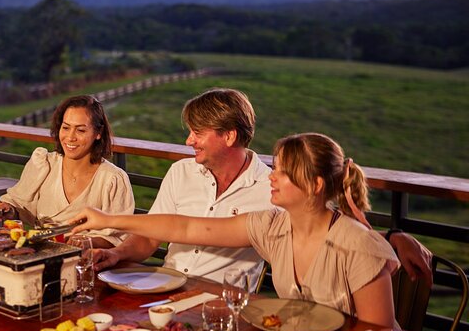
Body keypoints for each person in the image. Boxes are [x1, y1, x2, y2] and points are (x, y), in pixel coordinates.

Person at [89, 88, 432, 288]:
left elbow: (333, 227)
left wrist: (391, 238)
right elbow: (167, 231)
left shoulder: (275, 194)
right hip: (166, 289)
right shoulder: (182, 172)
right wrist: (117, 252)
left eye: (198, 132)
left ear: (229, 136)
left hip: (223, 306)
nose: (188, 140)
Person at [73, 132, 400, 327]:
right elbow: (185, 226)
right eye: (274, 168)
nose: (271, 176)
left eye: (283, 172)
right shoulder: (271, 227)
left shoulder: (358, 246)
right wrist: (108, 219)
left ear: (314, 185)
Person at [0, 95, 134, 248]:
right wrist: (9, 210)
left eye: (80, 130)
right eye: (65, 128)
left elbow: (119, 238)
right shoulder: (44, 164)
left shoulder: (112, 179)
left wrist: (85, 243)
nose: (70, 137)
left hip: (89, 261)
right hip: (41, 255)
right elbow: (19, 205)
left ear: (98, 133)